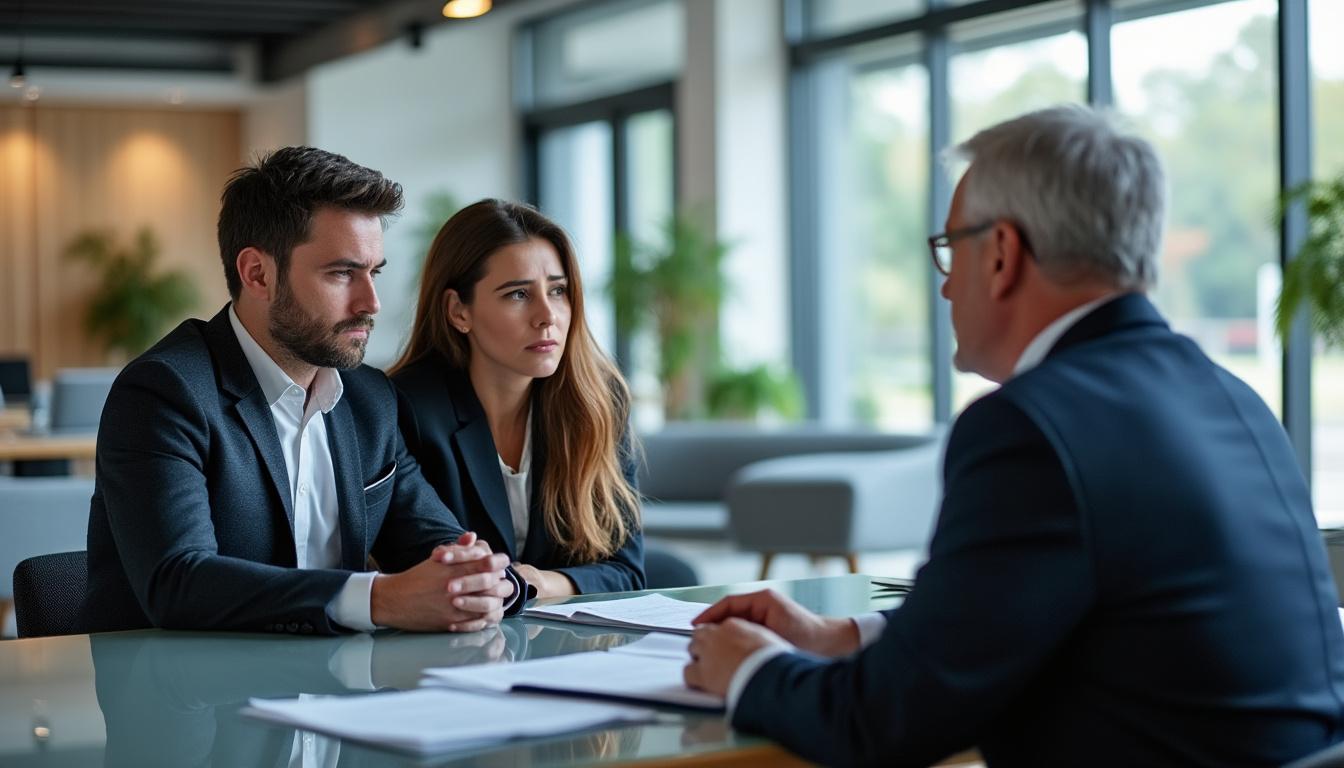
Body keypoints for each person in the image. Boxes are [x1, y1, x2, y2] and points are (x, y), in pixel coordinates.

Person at [682, 106, 1344, 766]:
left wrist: (750, 669)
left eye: (950, 249)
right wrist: (847, 637)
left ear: (1001, 253)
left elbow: (884, 725)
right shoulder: (1232, 399)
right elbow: (1061, 614)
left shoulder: (1031, 428)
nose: (944, 288)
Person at [86, 147, 521, 635]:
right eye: (341, 273)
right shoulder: (165, 393)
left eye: (373, 272)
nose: (370, 302)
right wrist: (377, 599)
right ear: (258, 274)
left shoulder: (368, 399)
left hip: (340, 692)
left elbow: (439, 543)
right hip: (192, 696)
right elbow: (177, 582)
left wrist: (481, 580)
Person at [388, 199, 643, 598]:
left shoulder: (598, 401)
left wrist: (538, 583)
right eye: (518, 295)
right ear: (459, 312)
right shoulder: (404, 409)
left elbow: (626, 571)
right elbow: (419, 565)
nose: (547, 316)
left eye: (558, 290)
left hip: (564, 648)